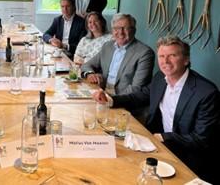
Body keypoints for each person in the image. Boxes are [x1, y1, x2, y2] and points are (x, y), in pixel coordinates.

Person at [93, 36, 220, 183]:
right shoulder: (160, 77)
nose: (165, 61)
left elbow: (201, 139)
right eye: (161, 56)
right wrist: (110, 99)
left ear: (186, 60)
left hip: (188, 160)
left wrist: (165, 137)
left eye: (172, 56)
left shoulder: (206, 92)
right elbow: (141, 96)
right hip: (158, 148)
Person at [81, 13, 154, 120]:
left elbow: (136, 89)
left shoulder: (145, 53)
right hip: (102, 96)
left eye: (125, 28)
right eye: (116, 28)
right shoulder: (108, 46)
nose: (120, 32)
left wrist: (111, 99)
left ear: (133, 30)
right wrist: (90, 74)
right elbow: (87, 65)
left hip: (125, 106)